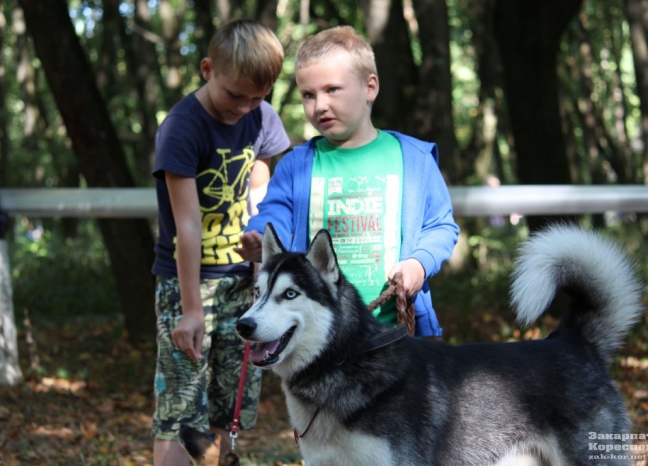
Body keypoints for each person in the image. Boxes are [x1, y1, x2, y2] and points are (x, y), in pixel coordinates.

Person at [235, 26, 458, 337]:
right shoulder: (296, 165)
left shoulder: (414, 159)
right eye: (308, 95)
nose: (320, 105)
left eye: (333, 90)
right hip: (320, 341)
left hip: (394, 333)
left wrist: (418, 265)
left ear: (370, 87)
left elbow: (440, 227)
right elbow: (276, 215)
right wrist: (260, 238)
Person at [150, 19, 290, 466]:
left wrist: (258, 234)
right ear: (208, 69)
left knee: (228, 407)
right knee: (181, 409)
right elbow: (186, 225)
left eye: (258, 97)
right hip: (187, 282)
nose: (246, 108)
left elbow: (261, 176)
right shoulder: (183, 127)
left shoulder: (261, 116)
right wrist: (191, 310)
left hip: (241, 284)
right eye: (236, 95)